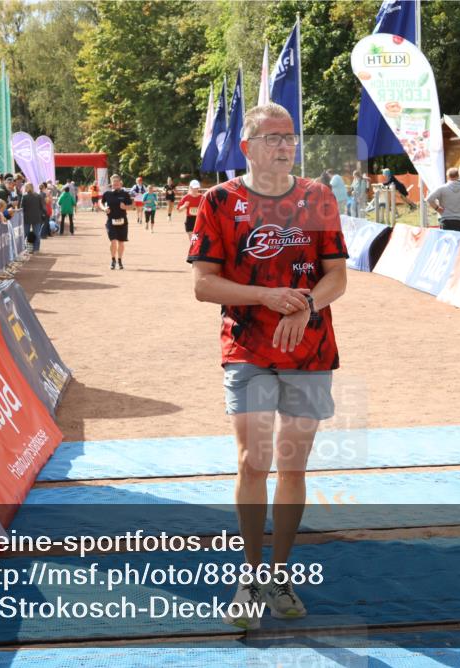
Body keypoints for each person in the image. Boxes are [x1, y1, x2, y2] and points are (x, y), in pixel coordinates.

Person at [187, 102, 348, 631]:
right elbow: (203, 285)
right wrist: (269, 296)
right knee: (254, 462)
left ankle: (280, 574)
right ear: (247, 146)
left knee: (293, 467)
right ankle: (250, 577)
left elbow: (336, 278)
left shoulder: (318, 197)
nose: (285, 146)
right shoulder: (219, 200)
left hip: (311, 351)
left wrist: (306, 306)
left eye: (290, 137)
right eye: (273, 137)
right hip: (248, 349)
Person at [426, 167, 460, 231]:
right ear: (458, 176)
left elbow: (429, 199)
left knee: (446, 240)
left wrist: (437, 208)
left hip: (445, 220)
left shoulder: (442, 188)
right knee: (458, 241)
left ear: (447, 177)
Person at [100, 173, 132, 269]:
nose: (115, 184)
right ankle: (113, 260)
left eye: (117, 183)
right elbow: (100, 202)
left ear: (120, 183)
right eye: (114, 183)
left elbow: (132, 206)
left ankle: (120, 260)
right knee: (113, 241)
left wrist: (125, 207)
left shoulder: (125, 194)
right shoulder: (107, 194)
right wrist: (104, 208)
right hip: (111, 221)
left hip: (122, 221)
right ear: (111, 184)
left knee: (121, 242)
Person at [20, 183, 44, 253]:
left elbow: (21, 208)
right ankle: (36, 249)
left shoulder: (24, 196)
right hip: (36, 218)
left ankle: (24, 249)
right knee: (37, 234)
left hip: (26, 218)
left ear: (27, 188)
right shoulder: (38, 196)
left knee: (25, 234)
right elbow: (41, 207)